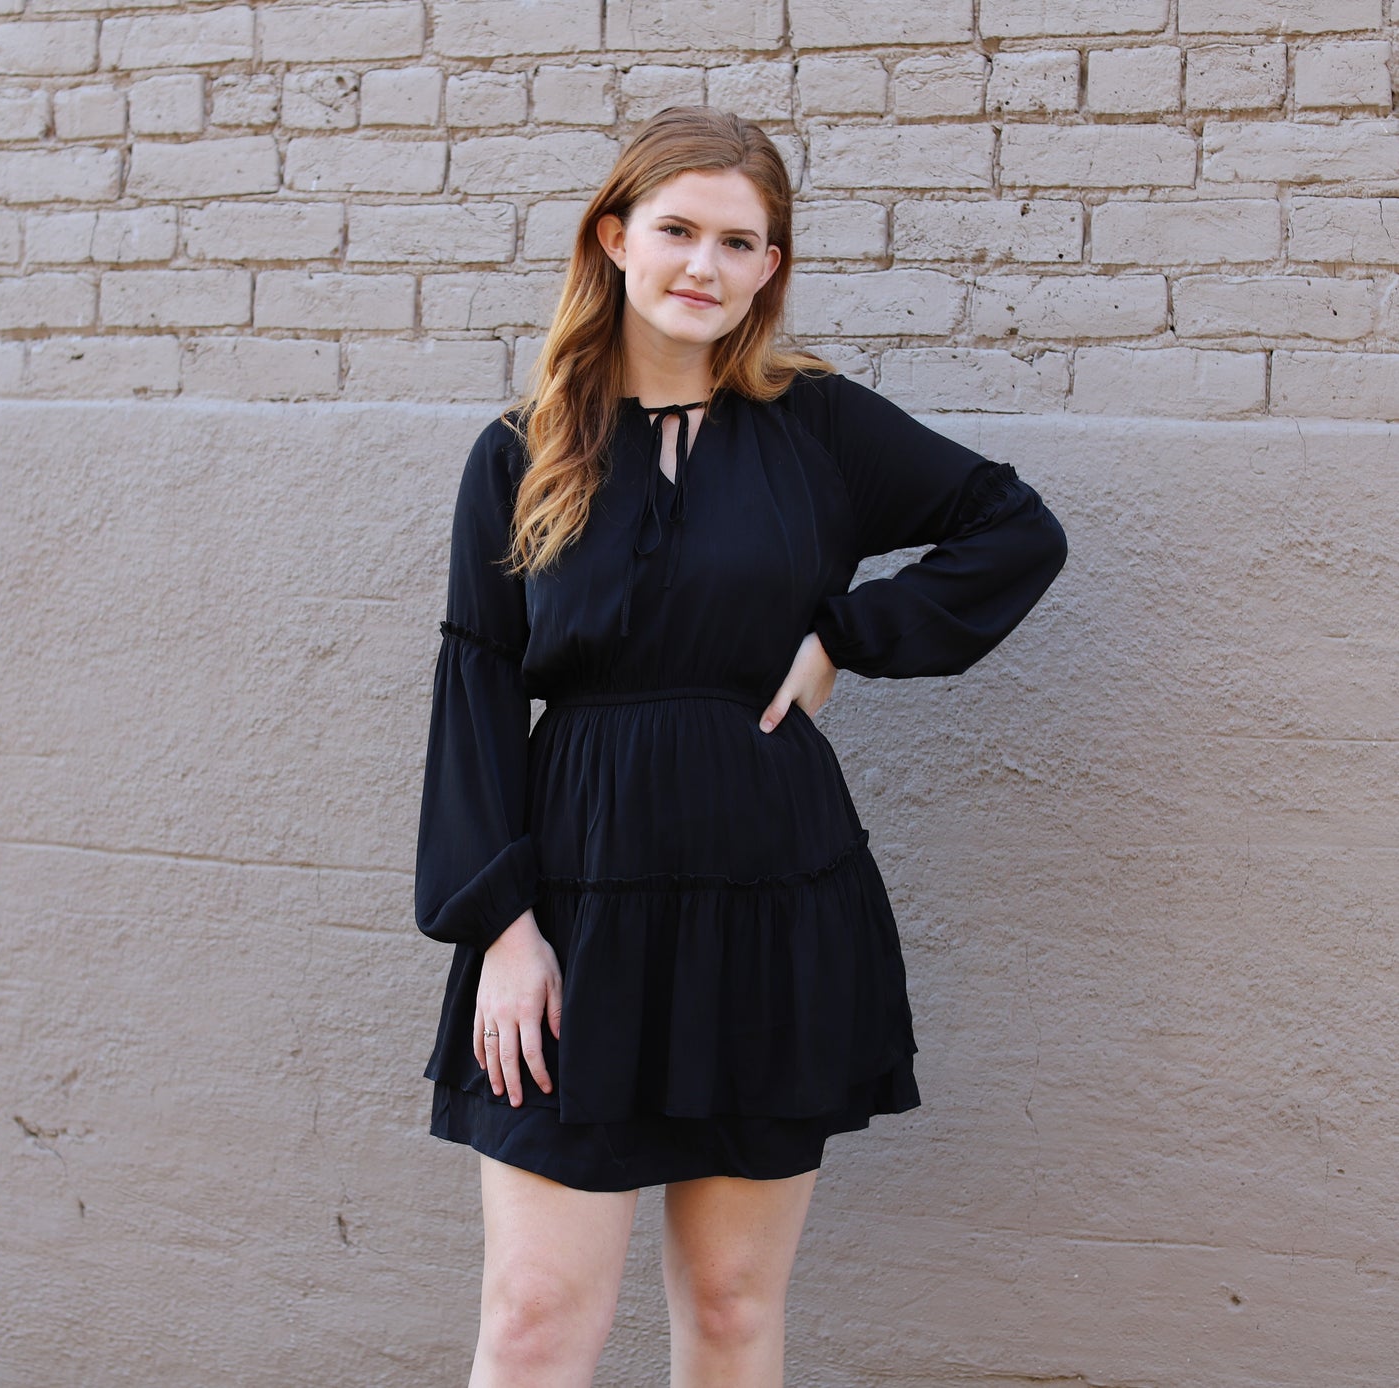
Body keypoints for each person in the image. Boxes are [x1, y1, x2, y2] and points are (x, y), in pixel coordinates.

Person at [415, 106, 1067, 1387]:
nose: (702, 266)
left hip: (769, 892)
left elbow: (1011, 527)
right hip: (576, 905)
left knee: (727, 1304)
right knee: (535, 1313)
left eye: (737, 242)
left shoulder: (813, 424)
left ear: (770, 265)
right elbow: (475, 685)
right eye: (675, 230)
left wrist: (844, 636)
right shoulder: (522, 448)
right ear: (614, 238)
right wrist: (500, 929)